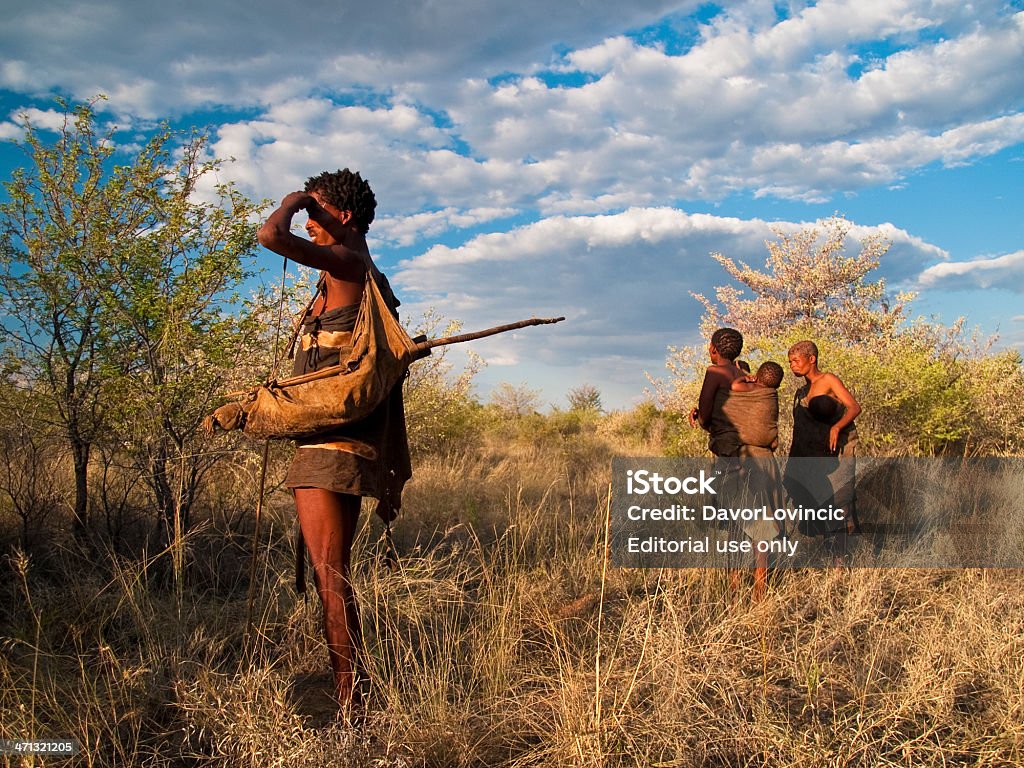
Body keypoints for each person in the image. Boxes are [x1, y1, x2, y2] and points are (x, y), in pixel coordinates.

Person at [256, 169, 411, 712]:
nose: (308, 223)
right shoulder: (356, 277)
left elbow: (270, 236)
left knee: (331, 582)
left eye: (317, 213)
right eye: (306, 211)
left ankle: (351, 704)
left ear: (342, 217)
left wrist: (295, 199)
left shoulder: (349, 267)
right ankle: (356, 690)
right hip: (340, 447)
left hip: (330, 450)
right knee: (337, 577)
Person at [689, 328, 779, 599]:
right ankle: (760, 588)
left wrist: (700, 417)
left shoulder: (716, 373)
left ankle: (734, 583)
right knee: (759, 524)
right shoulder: (747, 376)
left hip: (732, 458)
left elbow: (706, 417)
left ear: (713, 348)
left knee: (734, 524)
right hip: (761, 457)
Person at [785, 340, 861, 563]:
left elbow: (854, 407)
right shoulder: (802, 391)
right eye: (790, 362)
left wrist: (837, 427)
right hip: (813, 455)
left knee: (839, 500)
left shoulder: (828, 380)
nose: (792, 366)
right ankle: (828, 552)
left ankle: (840, 562)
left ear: (812, 359)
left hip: (837, 452)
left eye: (796, 361)